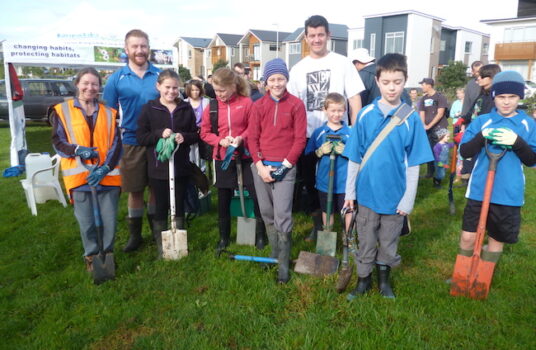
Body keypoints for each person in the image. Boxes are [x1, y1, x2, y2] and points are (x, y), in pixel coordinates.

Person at [343, 53, 433, 300]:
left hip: (395, 197)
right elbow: (354, 158)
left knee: (389, 241)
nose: (392, 87)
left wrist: (408, 200)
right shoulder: (364, 115)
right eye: (386, 82)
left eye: (397, 81)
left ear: (405, 81)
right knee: (366, 240)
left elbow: (414, 163)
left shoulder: (411, 118)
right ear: (378, 81)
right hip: (367, 195)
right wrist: (350, 193)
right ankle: (363, 280)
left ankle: (384, 281)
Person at [288, 15, 364, 243]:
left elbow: (354, 100)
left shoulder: (342, 63)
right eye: (312, 35)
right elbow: (293, 106)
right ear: (306, 37)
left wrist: (356, 134)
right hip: (311, 137)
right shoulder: (299, 69)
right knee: (312, 185)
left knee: (344, 185)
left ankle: (348, 231)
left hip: (342, 136)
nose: (317, 39)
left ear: (328, 35)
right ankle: (319, 226)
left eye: (321, 34)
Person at [454, 70, 536, 273]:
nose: (506, 102)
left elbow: (532, 160)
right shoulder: (483, 121)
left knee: (496, 238)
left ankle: (483, 276)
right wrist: (482, 137)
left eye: (512, 97)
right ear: (494, 97)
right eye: (501, 97)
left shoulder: (527, 124)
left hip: (508, 192)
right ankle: (463, 273)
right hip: (479, 189)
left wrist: (517, 143)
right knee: (468, 236)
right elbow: (465, 151)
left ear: (520, 97)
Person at [52, 68, 122, 273]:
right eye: (86, 83)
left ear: (99, 87)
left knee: (109, 219)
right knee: (87, 221)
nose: (90, 88)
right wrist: (76, 150)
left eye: (94, 84)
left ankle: (107, 253)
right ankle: (91, 255)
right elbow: (57, 141)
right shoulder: (62, 110)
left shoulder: (109, 113)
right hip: (79, 176)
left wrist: (106, 167)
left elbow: (117, 144)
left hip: (107, 176)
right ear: (77, 84)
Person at [249, 58, 307, 283]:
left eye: (280, 78)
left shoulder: (296, 105)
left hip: (285, 166)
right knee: (266, 211)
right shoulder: (258, 106)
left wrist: (286, 165)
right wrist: (259, 165)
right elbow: (252, 138)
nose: (276, 83)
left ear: (286, 79)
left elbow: (300, 139)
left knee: (282, 214)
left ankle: (283, 264)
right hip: (262, 166)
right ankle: (274, 253)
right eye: (272, 79)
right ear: (265, 82)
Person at [103, 29, 161, 253]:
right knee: (135, 191)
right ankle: (135, 235)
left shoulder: (160, 75)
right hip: (130, 141)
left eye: (143, 46)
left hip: (157, 142)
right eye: (135, 46)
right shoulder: (116, 79)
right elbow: (108, 114)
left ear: (149, 48)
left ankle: (157, 232)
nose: (140, 50)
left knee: (157, 188)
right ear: (126, 50)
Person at [200, 67, 265, 251]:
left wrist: (241, 138)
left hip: (246, 157)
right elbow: (204, 133)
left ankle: (261, 235)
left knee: (255, 194)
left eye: (222, 90)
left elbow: (253, 127)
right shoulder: (211, 106)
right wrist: (220, 141)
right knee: (223, 198)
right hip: (223, 159)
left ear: (233, 86)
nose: (218, 94)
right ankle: (223, 237)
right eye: (216, 90)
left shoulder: (246, 103)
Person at [136, 69, 198, 257]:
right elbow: (141, 137)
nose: (171, 91)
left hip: (180, 167)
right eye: (167, 87)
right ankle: (161, 244)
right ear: (158, 86)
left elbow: (195, 134)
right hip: (158, 168)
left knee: (178, 203)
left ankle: (179, 241)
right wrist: (158, 134)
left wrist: (184, 137)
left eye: (175, 88)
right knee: (161, 205)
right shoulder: (149, 109)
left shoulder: (185, 109)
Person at [305, 93, 351, 231]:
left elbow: (359, 157)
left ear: (344, 111)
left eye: (340, 111)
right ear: (325, 110)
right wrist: (319, 152)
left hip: (345, 182)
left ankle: (347, 239)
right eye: (332, 110)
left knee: (347, 210)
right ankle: (327, 233)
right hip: (325, 181)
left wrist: (346, 151)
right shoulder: (319, 132)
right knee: (327, 210)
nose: (336, 114)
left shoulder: (350, 133)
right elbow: (308, 156)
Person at [456, 64, 502, 184]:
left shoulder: (495, 98)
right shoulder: (482, 95)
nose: (478, 78)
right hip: (474, 134)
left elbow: (487, 119)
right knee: (470, 161)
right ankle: (469, 182)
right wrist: (463, 120)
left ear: (492, 77)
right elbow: (473, 111)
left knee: (480, 168)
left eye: (482, 76)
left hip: (484, 138)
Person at [419, 77, 448, 179]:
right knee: (429, 151)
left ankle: (439, 177)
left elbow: (440, 114)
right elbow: (421, 113)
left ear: (429, 85)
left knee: (441, 153)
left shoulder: (440, 97)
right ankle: (430, 173)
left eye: (423, 84)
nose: (421, 86)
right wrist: (423, 125)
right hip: (427, 130)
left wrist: (429, 126)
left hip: (440, 129)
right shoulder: (423, 99)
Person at [184, 79, 210, 169]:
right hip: (190, 132)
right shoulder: (184, 102)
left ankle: (201, 173)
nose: (195, 92)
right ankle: (191, 172)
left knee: (201, 154)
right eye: (192, 90)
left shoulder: (206, 102)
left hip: (203, 131)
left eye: (197, 90)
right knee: (190, 153)